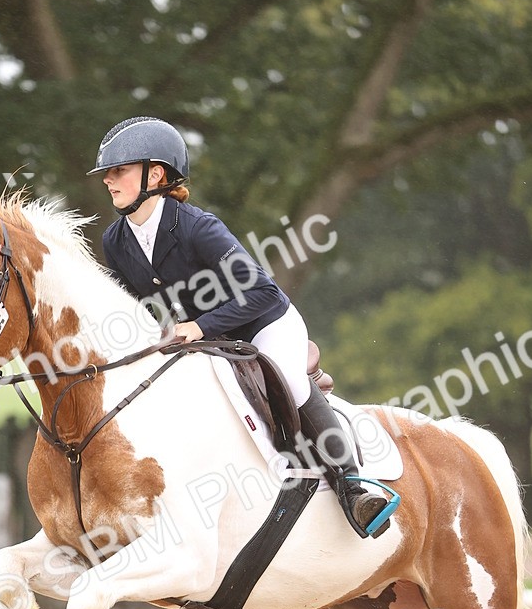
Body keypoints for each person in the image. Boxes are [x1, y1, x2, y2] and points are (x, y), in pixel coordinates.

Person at [87, 116, 389, 537]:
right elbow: (139, 309)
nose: (109, 181)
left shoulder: (199, 228)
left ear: (154, 174)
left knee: (289, 382)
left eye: (118, 171)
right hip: (205, 341)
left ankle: (353, 486)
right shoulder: (115, 241)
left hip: (263, 325)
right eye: (107, 174)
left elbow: (263, 293)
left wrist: (199, 325)